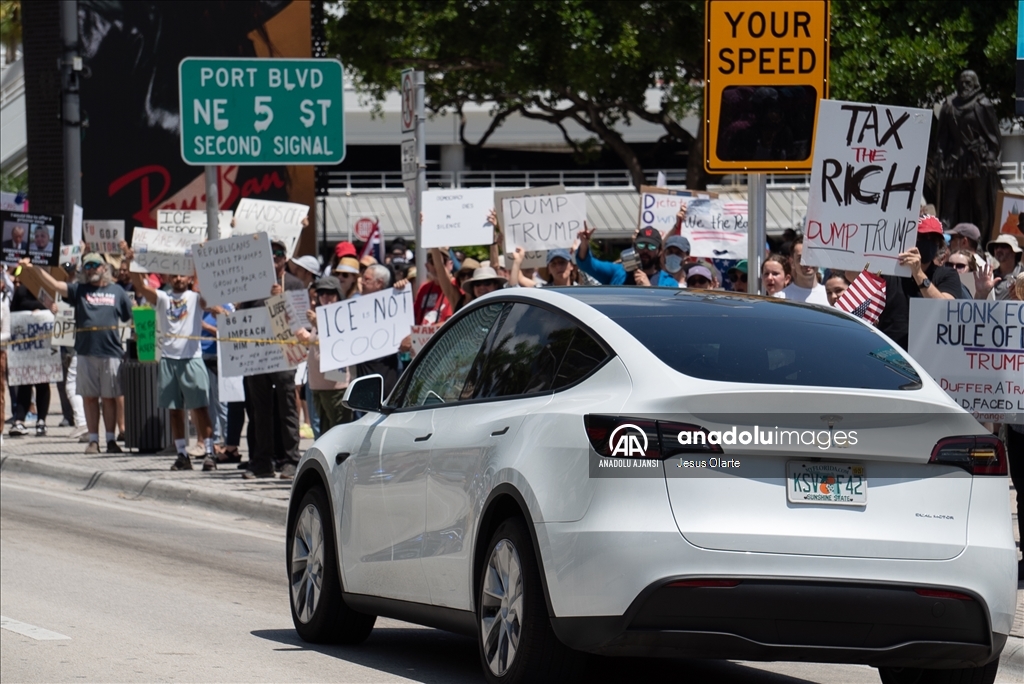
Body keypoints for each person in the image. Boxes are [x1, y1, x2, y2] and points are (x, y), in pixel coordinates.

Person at [19, 253, 132, 454]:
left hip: (111, 352)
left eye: (95, 265)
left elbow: (128, 317)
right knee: (89, 397)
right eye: (87, 266)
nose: (91, 269)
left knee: (109, 398)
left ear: (104, 268)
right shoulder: (79, 290)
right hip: (86, 352)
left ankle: (111, 440)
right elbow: (53, 284)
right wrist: (34, 267)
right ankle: (94, 440)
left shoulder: (118, 291)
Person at [127, 262, 220, 471]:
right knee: (175, 411)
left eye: (183, 276)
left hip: (192, 358)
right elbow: (140, 286)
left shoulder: (195, 298)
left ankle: (209, 452)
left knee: (200, 409)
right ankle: (181, 454)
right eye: (175, 275)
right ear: (169, 278)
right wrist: (132, 261)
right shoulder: (163, 298)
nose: (178, 279)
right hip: (168, 359)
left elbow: (213, 304)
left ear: (189, 279)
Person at [240, 239, 304, 480]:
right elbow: (241, 317)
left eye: (278, 254)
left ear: (285, 258)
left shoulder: (295, 284)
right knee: (260, 410)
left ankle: (291, 460)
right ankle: (262, 460)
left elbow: (302, 321)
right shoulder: (253, 286)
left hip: (285, 354)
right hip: (258, 356)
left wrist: (281, 299)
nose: (274, 258)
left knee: (287, 407)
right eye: (270, 254)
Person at [876, 216, 961, 350]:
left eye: (933, 239)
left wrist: (918, 273)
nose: (927, 243)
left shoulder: (948, 275)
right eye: (921, 237)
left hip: (926, 356)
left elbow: (945, 309)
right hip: (888, 353)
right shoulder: (890, 272)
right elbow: (852, 276)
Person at [297, 276, 354, 432]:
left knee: (338, 432)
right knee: (324, 432)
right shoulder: (320, 315)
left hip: (335, 386)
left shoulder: (342, 316)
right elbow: (316, 343)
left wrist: (318, 324)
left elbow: (338, 344)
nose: (325, 297)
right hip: (318, 384)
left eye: (330, 293)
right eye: (321, 294)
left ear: (338, 295)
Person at [7, 280, 54, 437]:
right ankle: (20, 420)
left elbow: (54, 308)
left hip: (44, 347)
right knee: (24, 383)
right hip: (25, 348)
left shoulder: (47, 290)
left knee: (42, 383)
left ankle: (41, 421)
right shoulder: (21, 291)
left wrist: (39, 312)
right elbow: (12, 312)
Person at [576, 225, 677, 287]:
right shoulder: (618, 271)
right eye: (641, 245)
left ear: (659, 251)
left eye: (651, 246)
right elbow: (588, 265)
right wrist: (584, 244)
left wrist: (649, 289)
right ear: (634, 247)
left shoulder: (669, 283)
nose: (645, 250)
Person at [780, 237, 829, 304]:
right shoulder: (781, 298)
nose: (806, 262)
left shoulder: (830, 295)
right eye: (801, 258)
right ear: (792, 262)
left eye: (811, 256)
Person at [975, 235, 1023, 301]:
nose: (998, 249)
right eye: (996, 247)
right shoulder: (990, 276)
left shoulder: (1022, 275)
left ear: (1014, 251)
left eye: (1003, 246)